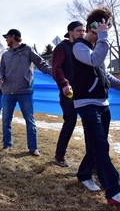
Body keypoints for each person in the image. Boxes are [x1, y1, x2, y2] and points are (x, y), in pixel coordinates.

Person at [71, 7, 120, 205]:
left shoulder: (95, 48)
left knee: (97, 145)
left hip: (103, 104)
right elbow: (95, 60)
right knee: (101, 146)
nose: (107, 31)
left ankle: (84, 173)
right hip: (87, 104)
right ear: (94, 27)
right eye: (105, 27)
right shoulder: (79, 47)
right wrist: (103, 37)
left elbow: (106, 75)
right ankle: (113, 191)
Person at [0, 29, 52, 156]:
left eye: (7, 37)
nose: (5, 40)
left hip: (25, 90)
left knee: (29, 119)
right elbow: (0, 69)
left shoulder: (28, 50)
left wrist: (55, 72)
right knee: (6, 120)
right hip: (8, 91)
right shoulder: (5, 55)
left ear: (13, 37)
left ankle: (33, 148)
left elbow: (41, 64)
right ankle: (7, 144)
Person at [52, 21, 85, 167]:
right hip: (69, 93)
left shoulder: (84, 47)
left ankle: (93, 160)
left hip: (85, 93)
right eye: (79, 30)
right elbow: (56, 69)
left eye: (83, 30)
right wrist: (65, 84)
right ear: (70, 32)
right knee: (70, 122)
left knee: (89, 125)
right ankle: (60, 155)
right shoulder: (62, 48)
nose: (82, 33)